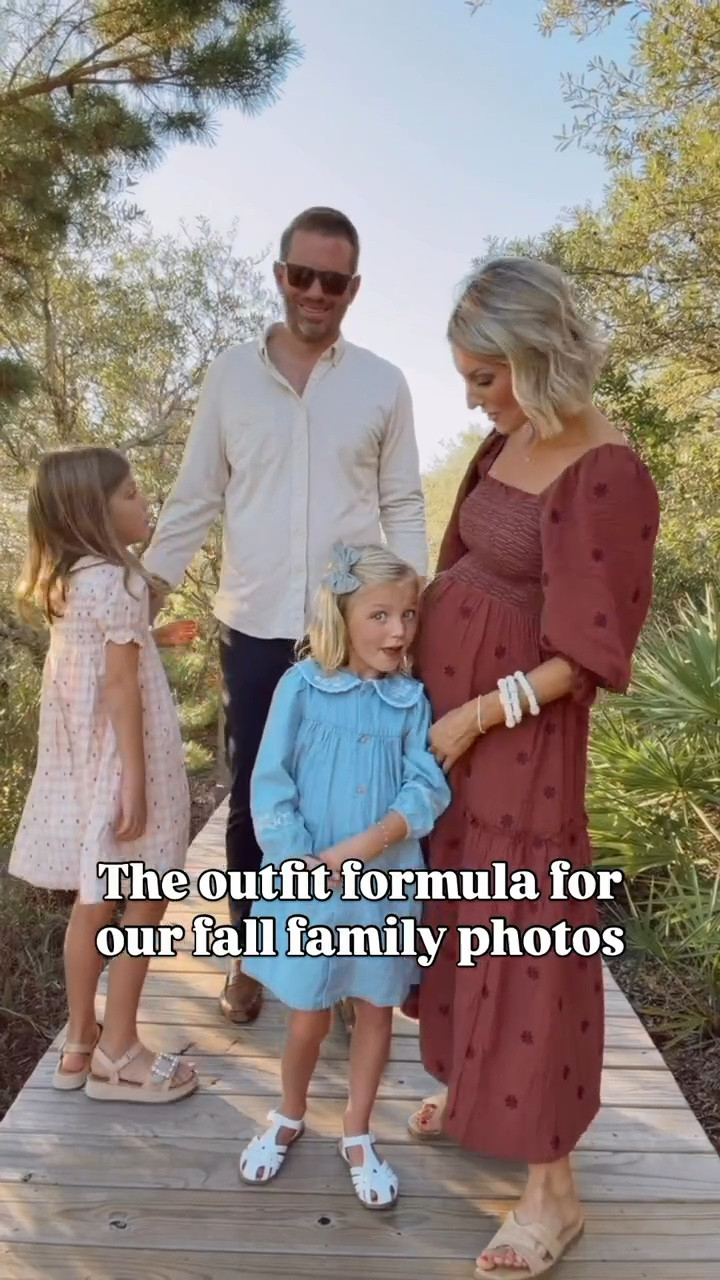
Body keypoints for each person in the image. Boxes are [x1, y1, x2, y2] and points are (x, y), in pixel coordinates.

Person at [405, 258, 659, 1277]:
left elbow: (592, 655)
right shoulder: (509, 438)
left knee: (526, 935)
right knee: (462, 915)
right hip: (454, 736)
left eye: (486, 376)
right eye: (467, 377)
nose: (473, 398)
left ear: (539, 355)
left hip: (520, 750)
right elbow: (461, 560)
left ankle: (553, 1192)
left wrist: (477, 709)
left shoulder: (608, 469)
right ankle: (475, 1088)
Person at [142, 206, 428, 1025]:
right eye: (301, 275)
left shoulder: (383, 383)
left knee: (355, 802)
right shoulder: (231, 375)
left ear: (354, 288)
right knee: (255, 798)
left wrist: (417, 598)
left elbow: (403, 499)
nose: (314, 293)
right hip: (257, 625)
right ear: (279, 276)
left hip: (351, 629)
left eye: (331, 281)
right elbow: (197, 494)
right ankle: (250, 958)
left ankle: (342, 970)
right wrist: (148, 589)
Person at [236, 542, 450, 1207]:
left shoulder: (411, 702)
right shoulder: (300, 688)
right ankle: (289, 1112)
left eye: (409, 616)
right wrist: (298, 864)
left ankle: (357, 1132)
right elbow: (269, 785)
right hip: (311, 889)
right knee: (307, 1015)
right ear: (343, 616)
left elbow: (426, 787)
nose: (398, 631)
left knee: (377, 1013)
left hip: (382, 891)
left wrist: (372, 842)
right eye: (380, 615)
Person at [9, 446, 199, 1103]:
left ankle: (80, 1044)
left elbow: (100, 663)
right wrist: (137, 781)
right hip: (127, 761)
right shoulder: (119, 580)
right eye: (129, 495)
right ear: (94, 510)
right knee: (144, 897)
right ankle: (121, 1054)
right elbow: (119, 688)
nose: (144, 503)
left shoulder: (70, 583)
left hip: (84, 766)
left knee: (94, 902)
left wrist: (156, 637)